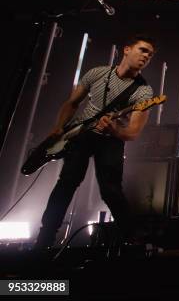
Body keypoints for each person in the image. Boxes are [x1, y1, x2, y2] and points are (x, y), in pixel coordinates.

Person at [34, 35, 156, 248]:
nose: (147, 56)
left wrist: (114, 129)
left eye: (150, 54)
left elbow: (133, 133)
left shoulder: (143, 91)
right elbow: (72, 103)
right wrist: (59, 127)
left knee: (110, 189)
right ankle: (44, 240)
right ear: (126, 49)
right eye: (143, 50)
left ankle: (131, 240)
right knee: (66, 183)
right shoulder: (97, 73)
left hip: (110, 140)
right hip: (79, 135)